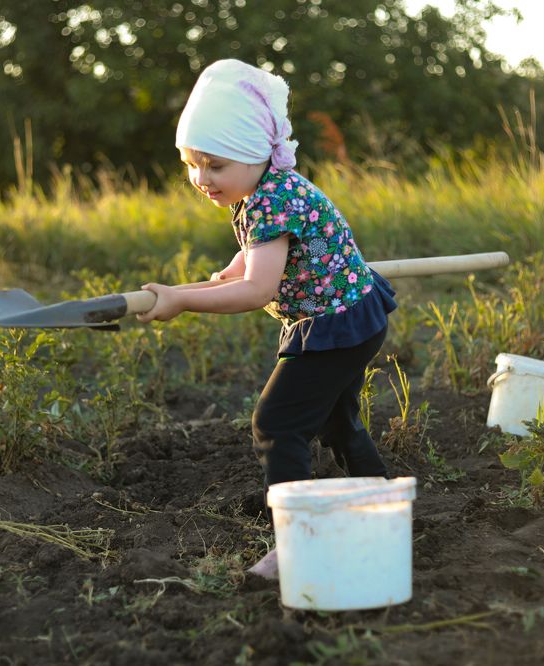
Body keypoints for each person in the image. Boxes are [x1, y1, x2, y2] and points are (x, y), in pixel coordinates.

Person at [136, 59, 397, 578]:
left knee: (276, 425)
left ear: (254, 154)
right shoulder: (270, 187)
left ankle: (298, 544)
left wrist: (182, 300)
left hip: (331, 328)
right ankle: (384, 507)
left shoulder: (271, 201)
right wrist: (228, 269)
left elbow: (258, 291)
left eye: (214, 165)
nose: (201, 179)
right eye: (192, 164)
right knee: (333, 421)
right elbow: (263, 258)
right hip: (355, 314)